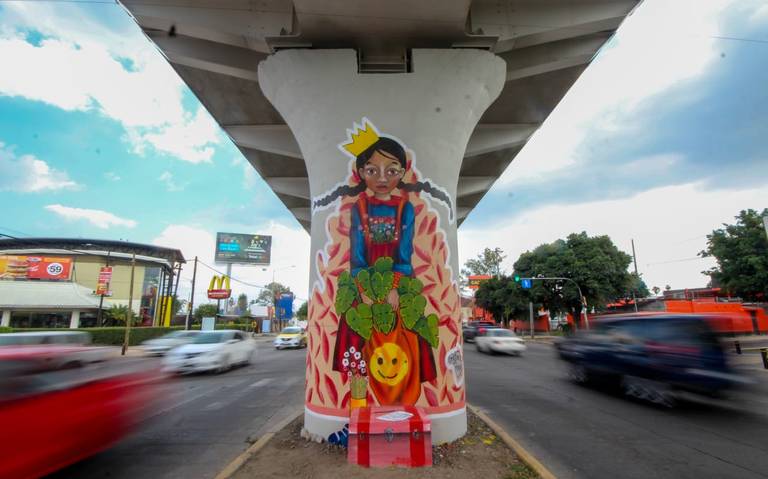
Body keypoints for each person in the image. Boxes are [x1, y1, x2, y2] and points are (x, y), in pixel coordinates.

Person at [316, 121, 452, 405]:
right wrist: (363, 290)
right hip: (363, 283)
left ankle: (404, 400)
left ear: (402, 173)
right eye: (372, 170)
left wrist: (395, 289)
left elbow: (404, 255)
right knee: (357, 342)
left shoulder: (406, 208)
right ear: (361, 173)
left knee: (408, 341)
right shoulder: (359, 208)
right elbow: (357, 256)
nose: (381, 177)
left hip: (397, 285)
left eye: (391, 170)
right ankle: (359, 402)